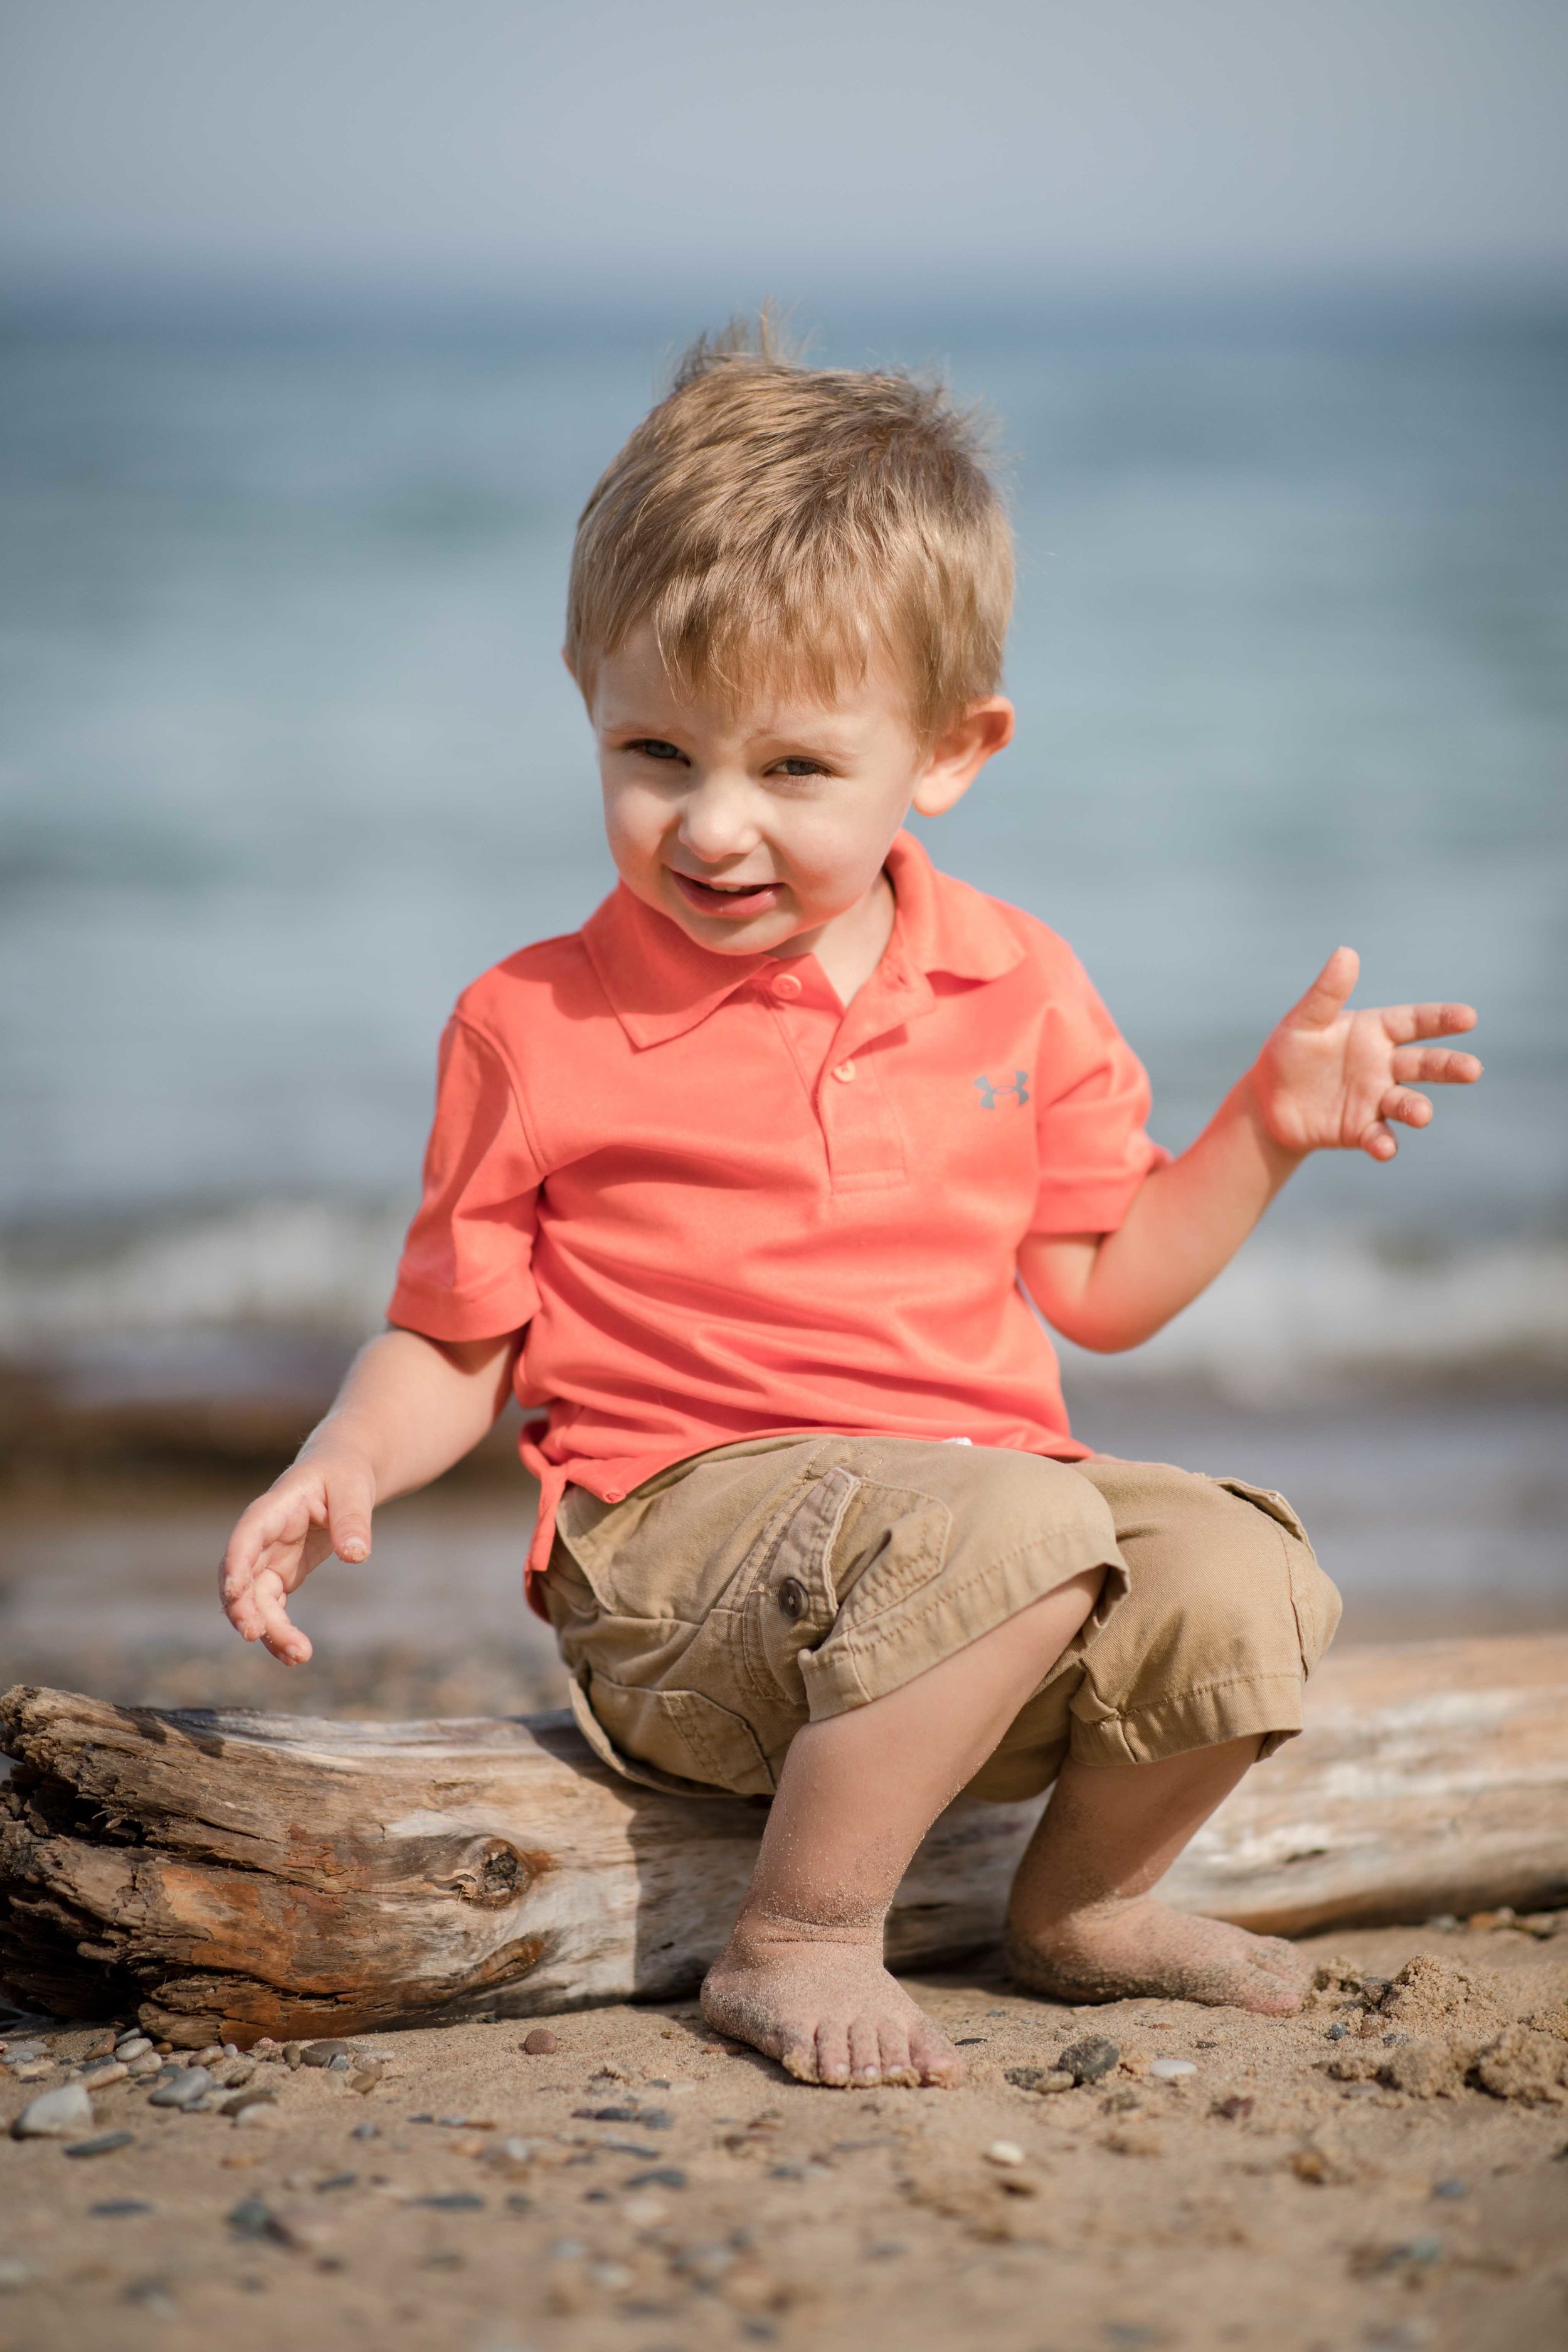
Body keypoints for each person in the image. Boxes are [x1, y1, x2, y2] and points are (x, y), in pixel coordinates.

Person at [219, 322, 1481, 2091]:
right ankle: (800, 1932)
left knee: (1240, 1567)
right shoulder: (531, 1018)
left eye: (794, 771)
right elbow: (451, 1337)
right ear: (584, 698)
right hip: (680, 1580)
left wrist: (1261, 1134)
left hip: (981, 1571)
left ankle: (1076, 1909)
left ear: (949, 753)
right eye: (653, 751)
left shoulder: (1014, 980)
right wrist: (344, 1460)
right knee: (1013, 1527)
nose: (713, 827)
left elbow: (1101, 1287)